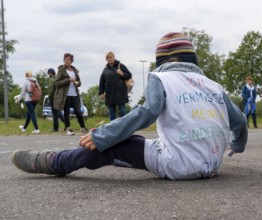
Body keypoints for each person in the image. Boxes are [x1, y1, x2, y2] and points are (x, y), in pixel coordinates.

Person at [11, 32, 248, 180]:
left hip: (179, 165)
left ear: (165, 61)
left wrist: (105, 135)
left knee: (113, 146)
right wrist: (236, 144)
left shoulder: (162, 78)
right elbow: (240, 122)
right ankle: (112, 156)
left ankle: (54, 162)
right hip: (211, 164)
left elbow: (146, 113)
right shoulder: (213, 85)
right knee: (135, 148)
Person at [53, 53, 88, 135]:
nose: (67, 61)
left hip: (74, 94)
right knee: (66, 111)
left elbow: (79, 82)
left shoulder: (75, 70)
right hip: (65, 94)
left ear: (71, 61)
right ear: (63, 60)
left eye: (68, 59)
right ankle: (68, 128)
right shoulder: (61, 70)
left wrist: (77, 83)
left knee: (78, 111)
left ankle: (82, 127)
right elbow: (56, 83)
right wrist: (67, 80)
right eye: (65, 59)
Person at [99, 51, 132, 121]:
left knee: (123, 111)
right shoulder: (105, 70)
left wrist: (122, 73)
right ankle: (113, 129)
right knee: (111, 113)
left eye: (111, 57)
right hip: (110, 94)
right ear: (106, 59)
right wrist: (101, 92)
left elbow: (129, 75)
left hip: (120, 93)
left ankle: (127, 127)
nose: (109, 59)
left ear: (114, 57)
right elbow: (102, 81)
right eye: (108, 57)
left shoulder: (120, 66)